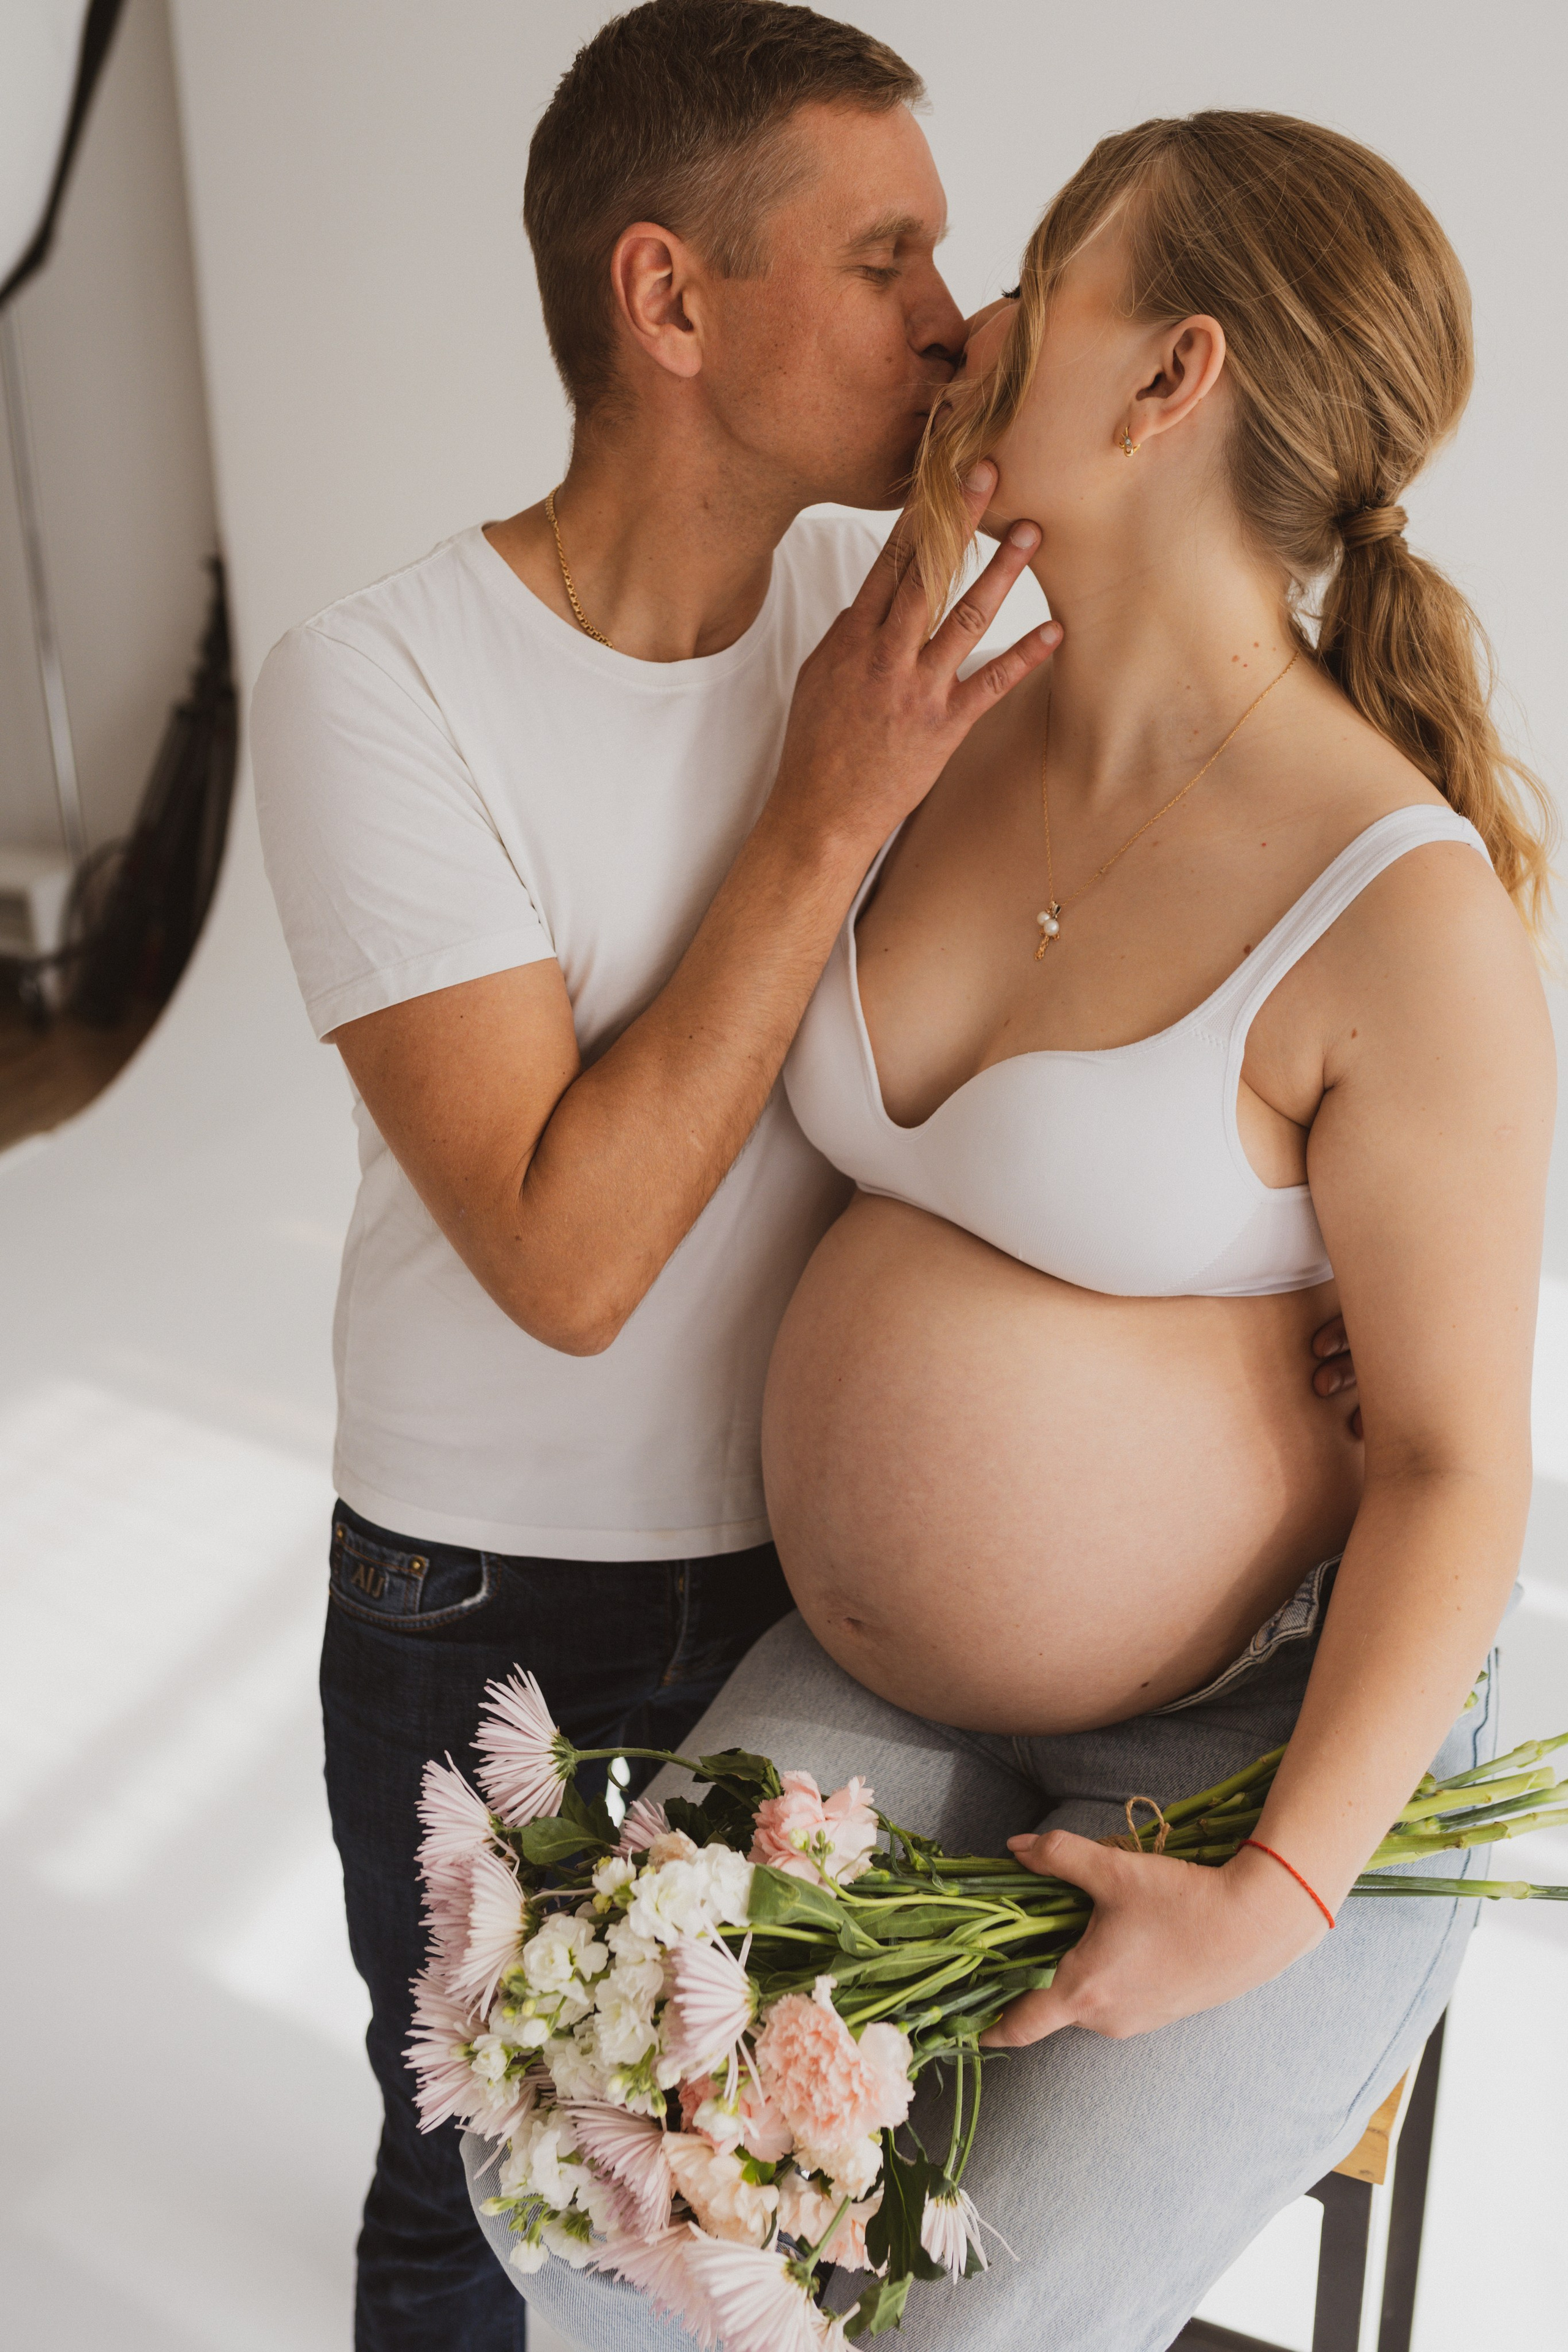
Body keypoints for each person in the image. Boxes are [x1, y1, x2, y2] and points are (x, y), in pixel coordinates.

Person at [251, 8, 1356, 2338]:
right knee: (475, 2171)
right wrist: (833, 803)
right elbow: (568, 1258)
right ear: (668, 302)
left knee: (766, 2227)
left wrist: (1313, 1252)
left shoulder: (917, 612)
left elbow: (1165, 901)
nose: (955, 325)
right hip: (492, 1600)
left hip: (816, 1608)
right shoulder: (386, 685)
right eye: (885, 259)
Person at [469, 108, 1556, 2352]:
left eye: (1042, 284)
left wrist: (1267, 1900)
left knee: (957, 2332)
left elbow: (1460, 1460)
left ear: (1173, 378)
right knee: (568, 2184)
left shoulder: (1402, 903)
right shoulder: (926, 716)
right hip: (874, 1673)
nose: (973, 334)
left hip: (1261, 1742)